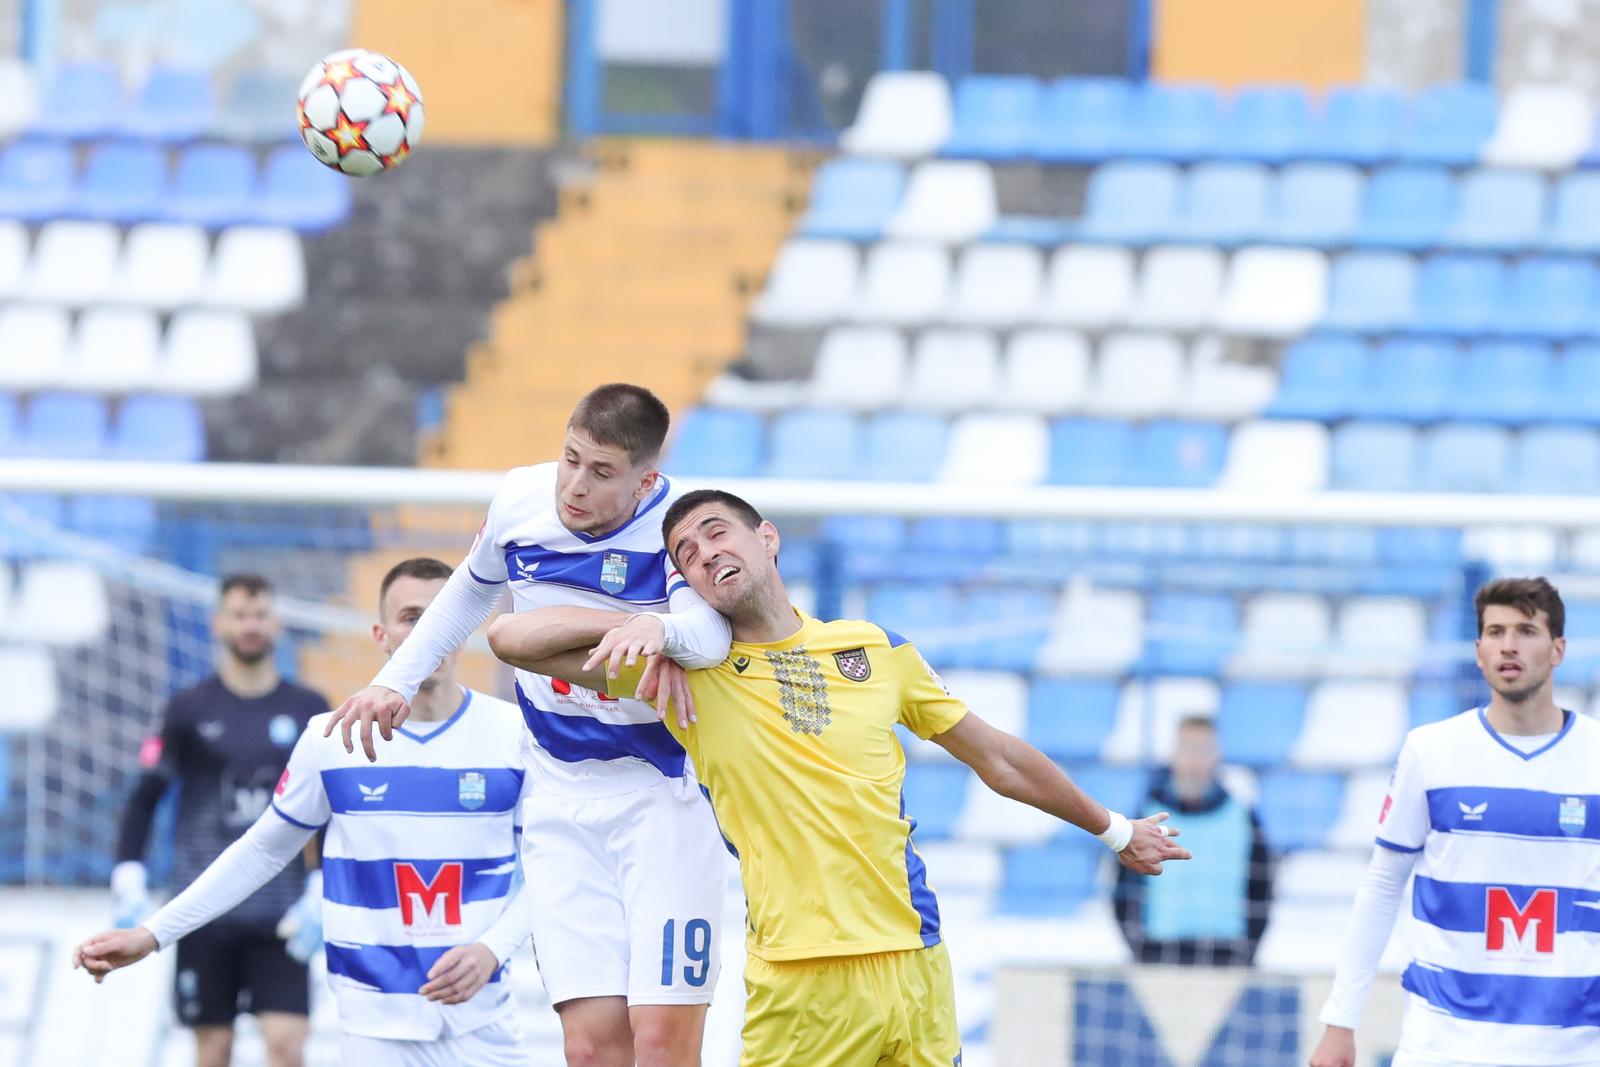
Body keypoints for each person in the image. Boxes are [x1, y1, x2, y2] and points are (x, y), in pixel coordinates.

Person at [490, 488, 1191, 1067]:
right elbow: (509, 640)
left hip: (913, 956)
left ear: (767, 538)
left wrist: (1116, 828)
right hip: (801, 980)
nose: (706, 554)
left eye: (716, 533)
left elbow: (997, 757)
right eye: (687, 557)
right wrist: (650, 624)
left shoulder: (874, 649)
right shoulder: (685, 677)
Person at [326, 384, 734, 1067]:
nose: (574, 485)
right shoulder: (520, 499)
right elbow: (470, 588)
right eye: (570, 458)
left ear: (647, 479)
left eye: (602, 471)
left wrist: (657, 627)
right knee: (590, 1047)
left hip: (664, 796)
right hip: (559, 800)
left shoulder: (679, 524)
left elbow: (708, 637)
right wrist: (391, 681)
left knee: (661, 1044)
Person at [76, 558, 537, 1066]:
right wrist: (151, 934)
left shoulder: (515, 735)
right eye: (412, 617)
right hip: (372, 1029)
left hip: (485, 1025)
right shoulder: (330, 739)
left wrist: (493, 947)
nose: (429, 632)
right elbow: (260, 851)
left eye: (443, 617)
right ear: (381, 634)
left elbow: (549, 869)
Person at [1309, 577, 1600, 1067]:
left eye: (1527, 631)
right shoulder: (1431, 750)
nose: (1509, 645)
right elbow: (1383, 884)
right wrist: (1341, 1019)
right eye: (1495, 631)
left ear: (1558, 649)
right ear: (1478, 649)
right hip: (1441, 1046)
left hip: (1571, 1048)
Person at [110, 573, 325, 1067]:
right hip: (203, 908)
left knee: (287, 1045)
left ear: (279, 623)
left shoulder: (309, 709)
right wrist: (128, 875)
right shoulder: (187, 709)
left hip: (284, 915)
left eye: (260, 614)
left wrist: (321, 887)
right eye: (240, 615)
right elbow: (145, 797)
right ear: (218, 623)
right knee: (213, 1049)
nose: (251, 625)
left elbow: (328, 808)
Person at [1114, 715, 1272, 966]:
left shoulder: (1243, 817)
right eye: (1188, 748)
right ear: (1173, 753)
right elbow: (1124, 889)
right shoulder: (1146, 815)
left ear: (1217, 755)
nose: (1196, 758)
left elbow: (1262, 887)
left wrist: (1248, 950)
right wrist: (1139, 948)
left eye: (1204, 749)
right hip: (1158, 953)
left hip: (1226, 954)